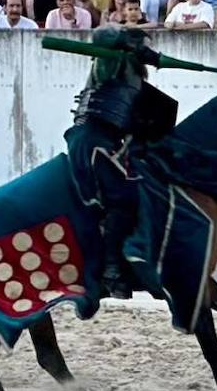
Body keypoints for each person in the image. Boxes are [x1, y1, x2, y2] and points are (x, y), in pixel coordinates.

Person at [62, 27, 169, 299]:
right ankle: (111, 269)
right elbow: (102, 36)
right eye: (140, 45)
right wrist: (128, 46)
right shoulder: (108, 61)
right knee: (122, 198)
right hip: (91, 140)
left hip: (109, 140)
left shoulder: (131, 73)